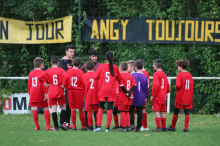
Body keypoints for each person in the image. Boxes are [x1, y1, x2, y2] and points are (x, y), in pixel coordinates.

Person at [93, 51, 126, 132]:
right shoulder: (115, 67)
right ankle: (107, 128)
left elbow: (95, 76)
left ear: (105, 58)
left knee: (100, 108)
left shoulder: (101, 66)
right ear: (113, 58)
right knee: (109, 109)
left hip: (102, 90)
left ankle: (98, 126)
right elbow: (120, 79)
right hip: (111, 90)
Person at [38, 56, 68, 131]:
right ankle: (61, 122)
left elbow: (40, 78)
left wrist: (45, 84)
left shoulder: (48, 71)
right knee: (63, 106)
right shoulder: (61, 70)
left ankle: (56, 127)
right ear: (58, 63)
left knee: (54, 108)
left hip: (51, 89)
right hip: (59, 89)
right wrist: (63, 85)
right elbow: (66, 77)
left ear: (51, 63)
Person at [167, 59, 194, 132]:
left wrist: (176, 88)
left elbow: (178, 85)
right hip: (188, 95)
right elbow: (192, 85)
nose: (177, 68)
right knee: (187, 112)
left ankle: (173, 127)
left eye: (178, 66)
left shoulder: (180, 75)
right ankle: (186, 128)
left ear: (181, 67)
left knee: (176, 111)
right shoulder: (189, 75)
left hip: (181, 95)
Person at [28, 57, 54, 131]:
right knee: (45, 107)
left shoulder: (31, 73)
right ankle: (48, 126)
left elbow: (29, 84)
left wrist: (30, 93)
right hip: (40, 92)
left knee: (34, 108)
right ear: (41, 64)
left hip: (33, 92)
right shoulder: (43, 73)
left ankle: (37, 126)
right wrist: (46, 93)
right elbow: (44, 84)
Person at [63, 57, 86, 130]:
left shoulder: (68, 72)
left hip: (71, 91)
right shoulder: (81, 72)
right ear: (79, 64)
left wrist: (67, 88)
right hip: (79, 91)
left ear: (72, 63)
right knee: (81, 109)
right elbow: (84, 83)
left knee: (72, 109)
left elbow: (64, 83)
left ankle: (74, 126)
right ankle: (83, 126)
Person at [80, 49, 101, 128]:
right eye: (93, 56)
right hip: (89, 89)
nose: (94, 58)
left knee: (92, 110)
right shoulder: (85, 65)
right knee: (90, 110)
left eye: (95, 56)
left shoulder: (99, 65)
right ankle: (89, 125)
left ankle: (93, 125)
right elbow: (80, 72)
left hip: (93, 91)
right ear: (90, 57)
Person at [150, 59, 170, 132]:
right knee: (162, 111)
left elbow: (156, 85)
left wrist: (153, 95)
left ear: (155, 66)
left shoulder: (156, 74)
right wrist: (166, 92)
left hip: (157, 95)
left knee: (156, 111)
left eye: (153, 65)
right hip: (163, 95)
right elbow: (167, 85)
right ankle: (164, 127)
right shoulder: (163, 74)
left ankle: (159, 127)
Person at [129, 60, 148, 132]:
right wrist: (146, 97)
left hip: (133, 96)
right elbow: (146, 88)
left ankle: (132, 124)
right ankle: (138, 128)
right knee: (139, 112)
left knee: (130, 110)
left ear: (135, 67)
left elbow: (130, 86)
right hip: (141, 96)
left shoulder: (132, 75)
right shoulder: (144, 77)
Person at [118, 62, 136, 132]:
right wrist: (129, 92)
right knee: (127, 111)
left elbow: (121, 86)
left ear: (121, 68)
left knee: (122, 111)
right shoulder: (130, 76)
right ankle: (128, 126)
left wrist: (126, 93)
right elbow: (134, 85)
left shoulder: (121, 76)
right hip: (129, 97)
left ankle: (123, 127)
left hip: (123, 96)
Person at [60, 45, 75, 129]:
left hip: (71, 86)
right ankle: (62, 122)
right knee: (65, 104)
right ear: (66, 52)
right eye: (70, 51)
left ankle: (67, 122)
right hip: (65, 86)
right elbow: (65, 71)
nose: (72, 53)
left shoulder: (73, 61)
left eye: (73, 52)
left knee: (70, 105)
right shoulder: (63, 61)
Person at [82, 61, 99, 131]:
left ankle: (90, 126)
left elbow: (83, 88)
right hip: (96, 95)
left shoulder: (83, 76)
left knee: (89, 111)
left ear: (86, 68)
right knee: (96, 111)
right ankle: (98, 125)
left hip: (88, 95)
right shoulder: (97, 75)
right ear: (94, 67)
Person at [139, 59, 150, 131]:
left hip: (142, 93)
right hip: (145, 93)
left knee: (142, 109)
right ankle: (144, 125)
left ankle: (144, 126)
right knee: (142, 109)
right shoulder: (146, 73)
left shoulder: (143, 73)